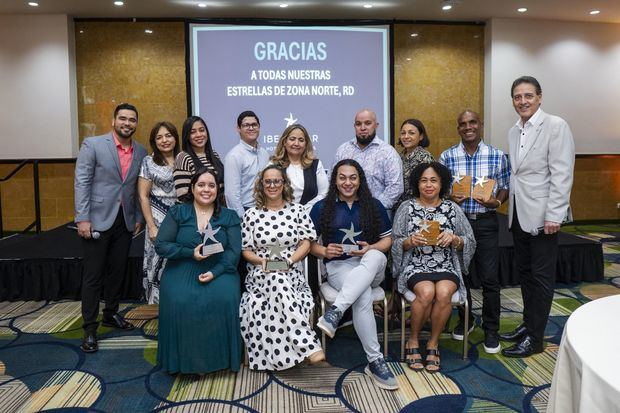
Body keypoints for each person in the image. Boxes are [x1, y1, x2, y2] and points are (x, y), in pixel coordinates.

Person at [500, 76, 575, 358]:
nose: (523, 101)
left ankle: (536, 339)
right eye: (518, 97)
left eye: (528, 96)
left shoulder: (555, 126)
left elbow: (562, 173)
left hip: (545, 217)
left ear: (540, 97)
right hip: (519, 214)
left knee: (541, 278)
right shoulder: (513, 131)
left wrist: (555, 214)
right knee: (526, 274)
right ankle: (528, 324)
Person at [310, 159, 398, 391]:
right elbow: (308, 245)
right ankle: (375, 361)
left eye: (352, 177)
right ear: (335, 180)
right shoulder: (321, 208)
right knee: (363, 295)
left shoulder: (374, 205)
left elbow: (387, 241)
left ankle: (336, 311)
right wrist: (324, 250)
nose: (347, 182)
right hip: (339, 268)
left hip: (370, 265)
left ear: (360, 180)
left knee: (377, 256)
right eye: (342, 177)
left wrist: (370, 248)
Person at [74, 103, 148, 353]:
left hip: (125, 220)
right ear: (114, 120)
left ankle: (111, 313)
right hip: (96, 220)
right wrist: (82, 218)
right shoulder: (93, 145)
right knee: (93, 276)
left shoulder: (140, 150)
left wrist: (138, 215)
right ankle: (89, 328)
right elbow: (82, 182)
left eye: (132, 120)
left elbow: (138, 187)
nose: (127, 123)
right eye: (123, 119)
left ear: (136, 123)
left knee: (117, 272)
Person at [155, 168, 242, 374]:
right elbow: (162, 245)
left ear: (217, 190)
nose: (206, 189)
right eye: (201, 185)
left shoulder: (229, 216)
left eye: (211, 186)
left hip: (221, 269)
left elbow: (233, 251)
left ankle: (218, 360)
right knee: (180, 299)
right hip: (182, 267)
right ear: (192, 188)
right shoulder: (178, 212)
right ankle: (184, 361)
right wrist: (188, 253)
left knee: (224, 297)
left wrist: (216, 272)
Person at [239, 165, 325, 370]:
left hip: (291, 272)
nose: (272, 185)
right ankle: (307, 343)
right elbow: (246, 251)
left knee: (279, 277)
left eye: (276, 181)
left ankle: (292, 350)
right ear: (261, 185)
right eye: (267, 181)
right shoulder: (251, 214)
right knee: (275, 277)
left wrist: (290, 261)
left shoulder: (297, 211)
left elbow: (306, 242)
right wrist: (263, 263)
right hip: (260, 274)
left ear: (284, 184)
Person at [392, 162, 475, 373]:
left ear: (442, 184)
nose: (428, 185)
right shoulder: (406, 208)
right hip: (415, 264)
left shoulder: (452, 209)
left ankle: (432, 343)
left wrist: (455, 239)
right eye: (423, 180)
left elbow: (470, 240)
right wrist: (410, 241)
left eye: (433, 180)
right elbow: (395, 242)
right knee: (427, 292)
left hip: (445, 264)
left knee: (444, 292)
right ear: (416, 184)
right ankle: (412, 340)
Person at [438, 110, 510, 354]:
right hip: (457, 223)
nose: (468, 127)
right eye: (463, 124)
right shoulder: (447, 156)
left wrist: (497, 203)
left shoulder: (497, 155)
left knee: (490, 278)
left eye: (472, 123)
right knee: (462, 276)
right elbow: (439, 189)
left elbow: (505, 186)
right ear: (458, 128)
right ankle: (465, 320)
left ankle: (492, 330)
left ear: (480, 125)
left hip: (486, 222)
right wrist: (449, 197)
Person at [138, 121, 180, 304]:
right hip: (157, 220)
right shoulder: (148, 161)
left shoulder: (183, 159)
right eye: (159, 137)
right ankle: (155, 307)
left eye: (168, 135)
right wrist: (151, 226)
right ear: (154, 141)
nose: (164, 140)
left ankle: (176, 305)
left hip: (180, 219)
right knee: (156, 264)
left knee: (178, 262)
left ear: (175, 138)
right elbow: (143, 196)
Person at [333, 109, 403, 212]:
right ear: (354, 126)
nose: (362, 128)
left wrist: (373, 208)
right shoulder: (342, 150)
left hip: (377, 215)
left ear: (376, 125)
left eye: (368, 123)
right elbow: (332, 179)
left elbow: (396, 187)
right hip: (343, 213)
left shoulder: (388, 153)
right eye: (358, 124)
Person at [270, 123, 329, 212]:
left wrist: (305, 209)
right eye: (292, 139)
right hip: (280, 216)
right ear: (284, 142)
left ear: (306, 144)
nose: (296, 143)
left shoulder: (315, 165)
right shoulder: (273, 165)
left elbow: (324, 193)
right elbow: (267, 192)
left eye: (301, 140)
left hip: (309, 215)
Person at [224, 110, 270, 218]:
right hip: (245, 211)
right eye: (246, 125)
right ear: (238, 129)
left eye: (254, 125)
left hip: (266, 210)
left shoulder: (265, 154)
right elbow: (231, 195)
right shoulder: (233, 156)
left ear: (259, 127)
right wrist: (243, 218)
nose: (251, 128)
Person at [173, 116, 224, 200]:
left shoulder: (214, 154)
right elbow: (183, 196)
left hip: (219, 209)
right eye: (193, 132)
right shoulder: (183, 157)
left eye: (201, 130)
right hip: (197, 211)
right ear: (187, 136)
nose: (199, 135)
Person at [395, 118, 434, 209]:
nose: (406, 136)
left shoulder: (424, 158)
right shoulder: (399, 156)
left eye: (411, 133)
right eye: (403, 133)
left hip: (418, 208)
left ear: (421, 136)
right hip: (399, 208)